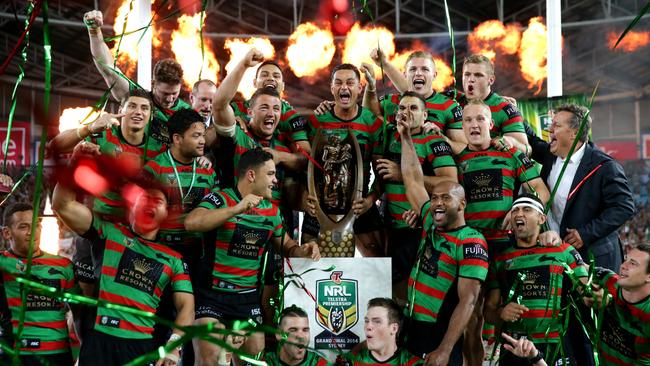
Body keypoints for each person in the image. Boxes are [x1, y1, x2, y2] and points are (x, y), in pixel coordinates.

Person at [52, 142, 194, 366]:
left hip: (141, 347)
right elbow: (62, 205)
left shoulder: (174, 259)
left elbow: (188, 307)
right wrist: (74, 161)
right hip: (99, 341)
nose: (151, 204)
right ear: (132, 205)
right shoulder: (108, 232)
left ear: (166, 214)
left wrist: (172, 349)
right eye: (145, 198)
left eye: (158, 202)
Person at [184, 148, 320, 366]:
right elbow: (191, 223)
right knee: (208, 355)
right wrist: (236, 209)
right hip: (211, 295)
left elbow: (287, 247)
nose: (275, 180)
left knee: (255, 359)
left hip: (246, 299)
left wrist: (303, 250)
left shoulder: (272, 211)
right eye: (270, 174)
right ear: (251, 175)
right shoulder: (220, 198)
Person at [457, 99, 549, 365]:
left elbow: (541, 192)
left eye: (479, 119)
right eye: (468, 120)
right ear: (462, 126)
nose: (474, 125)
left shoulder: (511, 154)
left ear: (491, 123)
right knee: (471, 314)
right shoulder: (456, 161)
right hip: (471, 248)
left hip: (507, 248)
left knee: (504, 314)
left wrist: (518, 207)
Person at [399, 115, 488, 365]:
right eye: (435, 197)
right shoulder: (429, 220)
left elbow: (468, 300)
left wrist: (445, 349)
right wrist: (406, 137)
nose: (437, 202)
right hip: (413, 325)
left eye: (445, 198)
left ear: (461, 205)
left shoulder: (471, 241)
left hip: (440, 332)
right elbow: (413, 179)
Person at [526, 104, 635, 272]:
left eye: (556, 125)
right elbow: (532, 140)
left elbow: (623, 207)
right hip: (558, 253)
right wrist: (512, 112)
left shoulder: (604, 166)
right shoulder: (551, 155)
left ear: (575, 133)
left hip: (594, 257)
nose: (549, 128)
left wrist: (586, 233)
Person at [484, 194, 588, 365]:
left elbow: (588, 293)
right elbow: (488, 312)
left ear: (541, 218)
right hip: (514, 345)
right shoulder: (501, 259)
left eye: (526, 209)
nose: (519, 214)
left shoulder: (564, 251)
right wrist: (500, 313)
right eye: (515, 210)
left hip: (555, 346)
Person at [374, 91, 457, 302]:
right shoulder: (388, 136)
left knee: (411, 291)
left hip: (419, 229)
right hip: (391, 228)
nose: (406, 112)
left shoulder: (433, 141)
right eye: (402, 108)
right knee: (390, 291)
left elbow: (450, 183)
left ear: (425, 115)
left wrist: (422, 205)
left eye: (413, 108)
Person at [305, 63, 384, 257]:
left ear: (359, 88)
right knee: (310, 264)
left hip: (360, 203)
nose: (344, 87)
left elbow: (382, 171)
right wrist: (307, 198)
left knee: (377, 266)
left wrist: (370, 201)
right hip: (322, 206)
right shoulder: (317, 121)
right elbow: (304, 166)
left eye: (350, 82)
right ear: (332, 88)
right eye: (338, 83)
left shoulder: (372, 123)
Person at [83, 10, 191, 143]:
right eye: (165, 93)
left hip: (165, 163)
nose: (170, 99)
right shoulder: (136, 99)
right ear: (153, 84)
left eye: (174, 93)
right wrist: (94, 31)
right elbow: (108, 69)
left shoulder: (186, 112)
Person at [143, 108, 218, 281]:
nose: (202, 141)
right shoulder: (154, 169)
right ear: (177, 139)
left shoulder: (207, 171)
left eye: (203, 135)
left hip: (198, 256)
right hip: (161, 253)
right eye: (196, 136)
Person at [0, 203, 77, 366]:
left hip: (58, 355)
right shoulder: (2, 262)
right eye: (23, 227)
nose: (32, 233)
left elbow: (79, 312)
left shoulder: (64, 265)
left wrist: (80, 349)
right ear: (7, 233)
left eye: (36, 225)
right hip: (15, 354)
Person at [362, 49, 466, 146]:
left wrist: (441, 138)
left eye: (425, 69)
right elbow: (366, 117)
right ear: (405, 74)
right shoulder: (390, 101)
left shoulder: (449, 106)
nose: (418, 73)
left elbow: (462, 147)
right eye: (413, 69)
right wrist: (370, 86)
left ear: (434, 75)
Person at [583, 244, 650, 365]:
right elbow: (575, 264)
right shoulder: (608, 280)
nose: (623, 266)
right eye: (625, 259)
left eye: (633, 263)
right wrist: (554, 239)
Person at [344, 298, 423, 365]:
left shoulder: (412, 363)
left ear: (394, 329)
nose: (368, 327)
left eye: (377, 321)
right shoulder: (353, 361)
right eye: (367, 321)